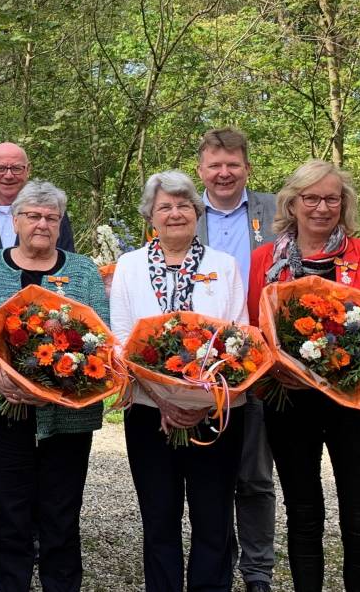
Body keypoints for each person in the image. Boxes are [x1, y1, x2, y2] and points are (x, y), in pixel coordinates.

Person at [247, 160, 360, 592]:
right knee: (303, 515)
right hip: (290, 402)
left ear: (343, 204)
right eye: (310, 198)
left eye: (332, 198)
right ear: (291, 204)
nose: (321, 207)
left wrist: (347, 362)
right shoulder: (264, 259)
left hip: (358, 401)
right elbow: (254, 332)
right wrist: (276, 367)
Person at [0, 180, 105, 591]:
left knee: (62, 513)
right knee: (13, 513)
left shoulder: (83, 270)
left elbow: (102, 335)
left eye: (51, 218)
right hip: (4, 411)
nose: (42, 224)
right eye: (33, 216)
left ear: (60, 224)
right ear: (16, 221)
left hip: (69, 415)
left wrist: (66, 378)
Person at [109, 170, 249, 592]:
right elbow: (120, 341)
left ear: (197, 211)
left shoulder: (223, 266)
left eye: (183, 205)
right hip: (151, 411)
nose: (175, 213)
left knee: (213, 516)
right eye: (165, 206)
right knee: (159, 515)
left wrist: (201, 400)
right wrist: (166, 398)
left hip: (217, 411)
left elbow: (239, 338)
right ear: (150, 216)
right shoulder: (129, 266)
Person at [0, 142, 78, 560]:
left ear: (26, 170)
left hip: (53, 357)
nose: (8, 174)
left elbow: (71, 275)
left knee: (51, 468)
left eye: (16, 167)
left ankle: (42, 532)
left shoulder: (54, 214)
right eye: (0, 168)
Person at [193, 128, 278, 592]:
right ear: (201, 170)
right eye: (215, 165)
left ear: (247, 167)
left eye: (233, 165)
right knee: (210, 474)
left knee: (255, 473)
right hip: (196, 360)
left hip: (263, 356)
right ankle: (216, 560)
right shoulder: (182, 210)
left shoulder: (275, 210)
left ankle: (258, 569)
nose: (224, 173)